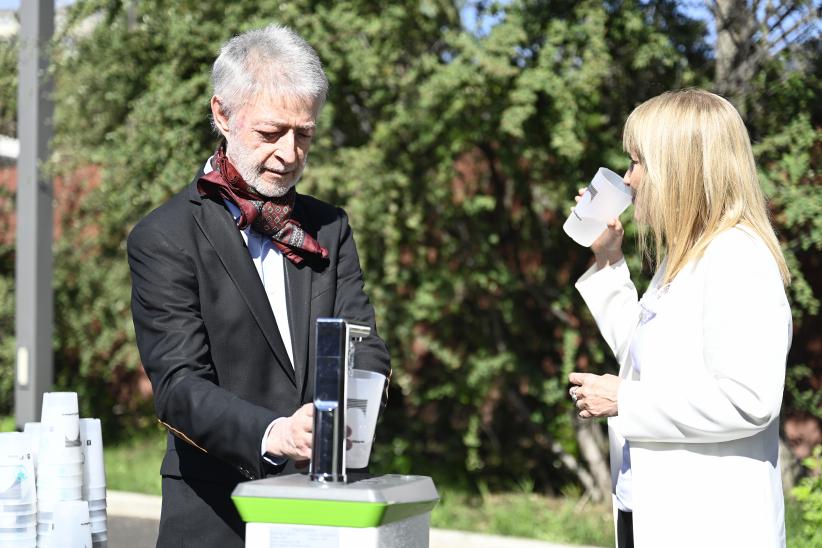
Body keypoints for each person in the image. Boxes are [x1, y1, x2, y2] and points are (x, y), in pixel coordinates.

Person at [127, 24, 390, 548]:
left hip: (328, 506)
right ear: (222, 114)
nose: (290, 154)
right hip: (216, 515)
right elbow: (179, 387)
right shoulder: (164, 236)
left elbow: (365, 345)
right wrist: (278, 433)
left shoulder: (329, 227)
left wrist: (353, 406)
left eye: (305, 133)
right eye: (271, 133)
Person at [567, 89, 791, 548]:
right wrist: (609, 261)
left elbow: (750, 400)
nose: (627, 180)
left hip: (710, 525)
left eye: (636, 162)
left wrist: (624, 401)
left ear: (679, 169)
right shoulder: (685, 257)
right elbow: (643, 358)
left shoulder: (737, 257)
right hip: (649, 514)